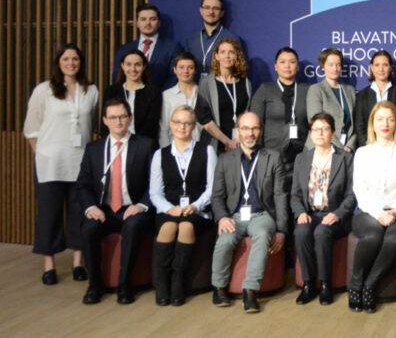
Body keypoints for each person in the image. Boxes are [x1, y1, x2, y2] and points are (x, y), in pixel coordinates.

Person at [24, 43, 98, 285]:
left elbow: (91, 124)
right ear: (58, 62)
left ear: (81, 62)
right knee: (49, 214)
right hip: (50, 163)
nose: (71, 63)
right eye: (66, 59)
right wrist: (41, 155)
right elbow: (31, 128)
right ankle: (49, 266)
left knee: (79, 212)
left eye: (75, 59)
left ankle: (78, 263)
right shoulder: (43, 90)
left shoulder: (91, 90)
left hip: (80, 162)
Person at [76, 97, 158, 304]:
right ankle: (95, 285)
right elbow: (83, 184)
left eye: (122, 116)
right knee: (89, 228)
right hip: (103, 209)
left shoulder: (146, 145)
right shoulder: (93, 149)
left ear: (130, 118)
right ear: (105, 120)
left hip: (134, 208)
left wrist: (141, 205)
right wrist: (91, 207)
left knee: (133, 225)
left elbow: (156, 183)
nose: (118, 122)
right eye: (113, 118)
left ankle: (125, 285)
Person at [209, 112, 288, 313]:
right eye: (245, 128)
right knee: (225, 239)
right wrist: (222, 217)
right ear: (238, 131)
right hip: (234, 216)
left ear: (261, 131)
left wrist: (281, 230)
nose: (250, 133)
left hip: (262, 215)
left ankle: (250, 291)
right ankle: (219, 287)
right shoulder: (225, 159)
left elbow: (280, 195)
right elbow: (217, 196)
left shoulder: (273, 157)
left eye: (254, 128)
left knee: (262, 234)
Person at [349, 101, 396, 313]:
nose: (385, 124)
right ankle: (355, 283)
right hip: (369, 212)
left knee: (395, 238)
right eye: (380, 119)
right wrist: (379, 214)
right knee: (373, 236)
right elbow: (360, 190)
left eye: (390, 119)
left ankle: (369, 285)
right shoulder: (362, 153)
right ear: (372, 123)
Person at [148, 105, 218, 306]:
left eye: (187, 123)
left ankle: (178, 281)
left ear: (194, 126)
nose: (182, 127)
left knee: (186, 226)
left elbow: (212, 188)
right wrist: (169, 208)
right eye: (178, 122)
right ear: (171, 124)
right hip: (169, 210)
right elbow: (155, 192)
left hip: (198, 211)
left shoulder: (207, 151)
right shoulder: (160, 155)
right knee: (169, 226)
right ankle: (163, 281)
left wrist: (195, 206)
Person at [291, 113, 356, 306]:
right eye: (316, 129)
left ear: (333, 133)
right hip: (310, 213)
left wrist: (337, 214)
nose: (320, 133)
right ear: (310, 133)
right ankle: (308, 284)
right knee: (301, 232)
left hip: (335, 216)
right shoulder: (302, 159)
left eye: (325, 129)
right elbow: (295, 194)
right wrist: (300, 213)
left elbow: (352, 194)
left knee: (321, 232)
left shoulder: (345, 158)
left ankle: (326, 285)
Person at [251, 47, 310, 183]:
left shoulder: (307, 90)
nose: (287, 66)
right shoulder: (265, 89)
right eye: (282, 62)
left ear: (297, 67)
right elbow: (255, 123)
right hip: (271, 153)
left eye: (292, 62)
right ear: (275, 66)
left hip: (301, 154)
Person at [196, 38, 252, 153]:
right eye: (223, 52)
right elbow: (204, 118)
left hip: (239, 143)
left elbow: (247, 112)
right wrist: (227, 142)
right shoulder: (206, 83)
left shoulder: (246, 83)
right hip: (214, 143)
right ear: (216, 56)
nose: (227, 56)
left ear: (237, 56)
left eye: (231, 52)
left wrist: (238, 140)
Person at [111, 3, 183, 89]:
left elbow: (175, 77)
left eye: (152, 19)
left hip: (161, 95)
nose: (148, 23)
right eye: (143, 19)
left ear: (159, 23)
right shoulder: (124, 49)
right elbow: (117, 77)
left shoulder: (172, 48)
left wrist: (156, 95)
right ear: (137, 23)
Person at [353, 50, 396, 147]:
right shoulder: (362, 95)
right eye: (377, 65)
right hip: (369, 148)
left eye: (385, 65)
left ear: (391, 68)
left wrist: (395, 146)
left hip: (394, 147)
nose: (381, 69)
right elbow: (359, 126)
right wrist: (369, 147)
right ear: (371, 67)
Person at [102, 50, 161, 141]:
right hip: (115, 143)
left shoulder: (153, 92)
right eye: (128, 64)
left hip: (143, 144)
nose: (133, 69)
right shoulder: (111, 91)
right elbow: (105, 125)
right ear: (122, 66)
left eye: (138, 65)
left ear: (144, 66)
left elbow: (152, 126)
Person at [306, 47, 356, 152]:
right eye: (330, 65)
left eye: (338, 64)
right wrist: (339, 147)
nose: (335, 68)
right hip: (321, 148)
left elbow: (356, 123)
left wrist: (350, 145)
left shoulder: (350, 90)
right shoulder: (316, 90)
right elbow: (317, 124)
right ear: (323, 67)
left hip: (347, 149)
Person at [183, 0, 243, 76]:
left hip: (220, 83)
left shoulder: (232, 39)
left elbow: (239, 70)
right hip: (194, 84)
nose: (211, 12)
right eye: (207, 7)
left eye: (215, 8)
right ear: (201, 10)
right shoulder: (191, 39)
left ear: (222, 13)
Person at [158, 52, 202, 147]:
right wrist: (166, 152)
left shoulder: (203, 93)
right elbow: (163, 129)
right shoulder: (167, 96)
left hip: (199, 148)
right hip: (174, 149)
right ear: (175, 70)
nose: (185, 71)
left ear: (195, 70)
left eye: (190, 67)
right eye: (181, 67)